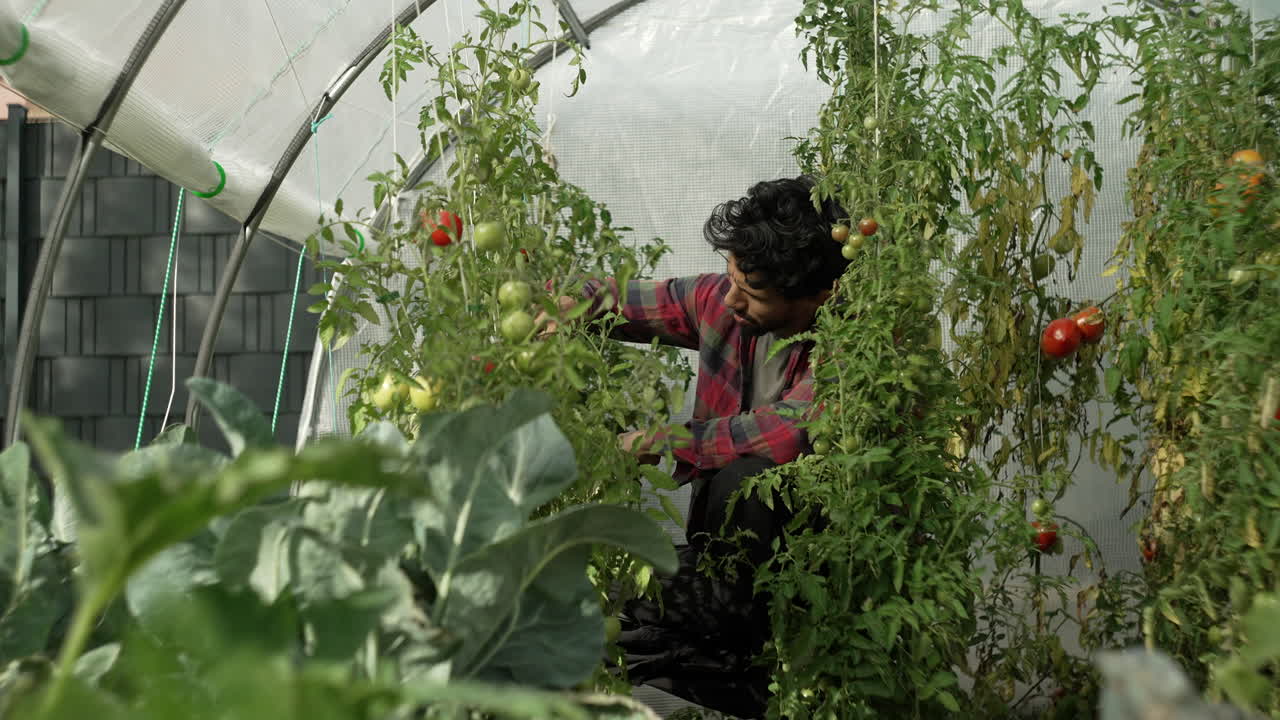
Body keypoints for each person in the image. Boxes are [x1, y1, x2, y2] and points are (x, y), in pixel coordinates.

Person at [543, 175, 849, 718]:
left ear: (816, 296)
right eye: (731, 277)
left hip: (805, 570)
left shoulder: (848, 350)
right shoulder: (721, 304)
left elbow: (788, 431)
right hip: (719, 554)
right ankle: (713, 625)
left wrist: (664, 440)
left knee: (748, 478)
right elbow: (627, 300)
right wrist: (574, 302)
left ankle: (742, 641)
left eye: (750, 293)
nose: (729, 297)